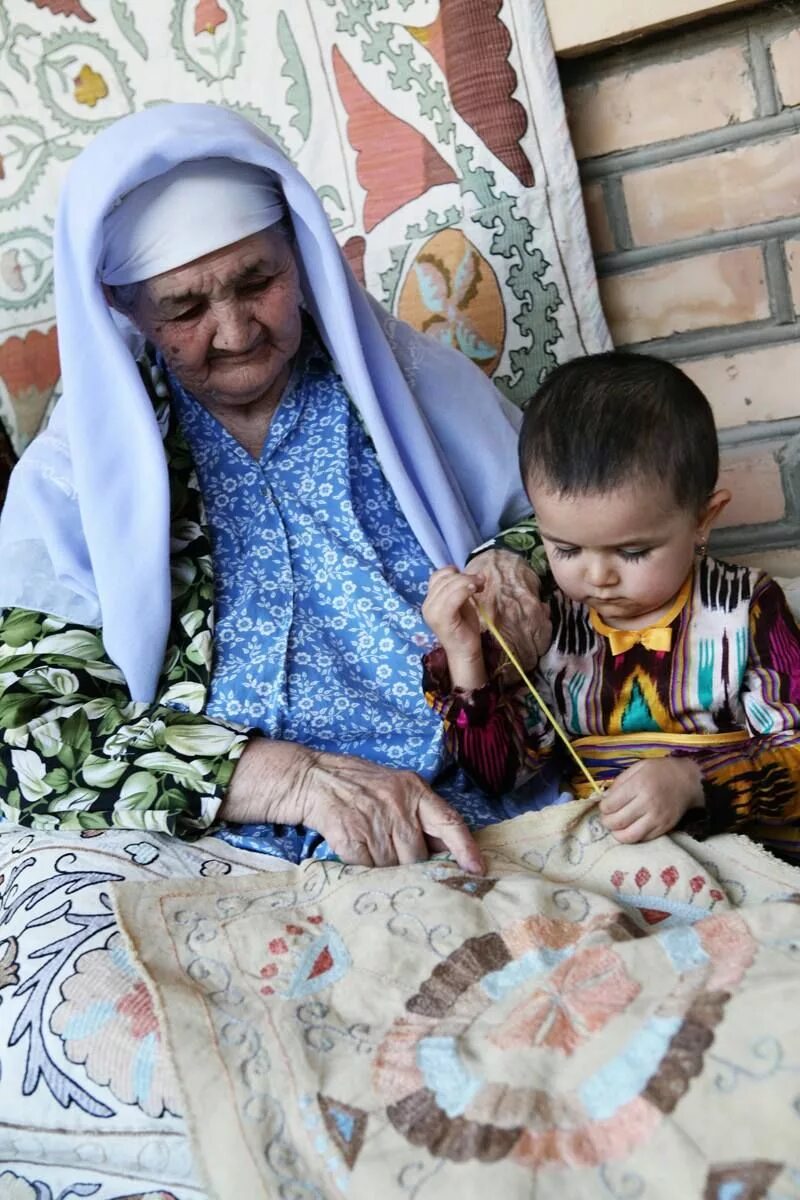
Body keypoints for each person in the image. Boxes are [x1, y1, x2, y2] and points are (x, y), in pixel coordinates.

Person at [0, 103, 554, 871]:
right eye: (185, 308)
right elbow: (26, 731)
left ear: (300, 253)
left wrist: (516, 565)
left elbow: (565, 521)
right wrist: (281, 779)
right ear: (122, 308)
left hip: (475, 795)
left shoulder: (408, 384)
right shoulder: (74, 476)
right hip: (216, 845)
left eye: (257, 281)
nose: (235, 332)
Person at [422, 352, 800, 862]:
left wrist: (693, 783)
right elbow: (501, 779)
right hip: (610, 862)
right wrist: (468, 660)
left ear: (703, 520)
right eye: (566, 550)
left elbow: (794, 751)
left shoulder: (746, 607)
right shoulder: (555, 624)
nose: (597, 577)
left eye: (633, 552)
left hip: (745, 848)